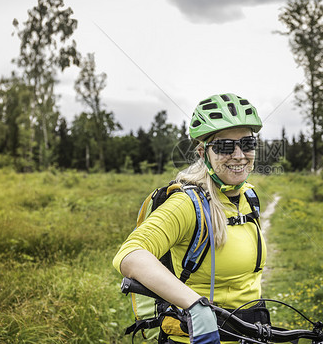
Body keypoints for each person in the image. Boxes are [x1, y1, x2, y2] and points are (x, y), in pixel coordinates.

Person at [113, 93, 266, 344]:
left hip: (252, 333)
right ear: (203, 152)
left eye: (247, 143)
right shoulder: (187, 204)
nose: (239, 155)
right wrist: (194, 305)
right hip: (199, 337)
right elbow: (130, 254)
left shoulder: (248, 196)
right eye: (225, 146)